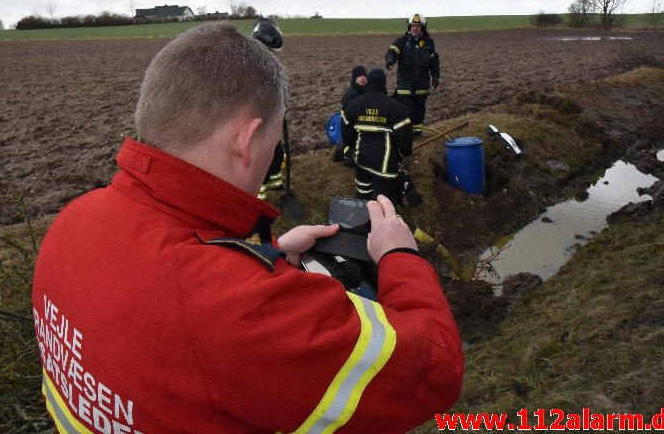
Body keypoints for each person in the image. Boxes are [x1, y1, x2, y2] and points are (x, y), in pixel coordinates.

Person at [32, 23, 463, 433]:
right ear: (246, 139)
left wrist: (270, 255)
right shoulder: (240, 313)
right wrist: (399, 257)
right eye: (272, 144)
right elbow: (435, 370)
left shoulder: (73, 221)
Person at [342, 68, 414, 205]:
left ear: (369, 82)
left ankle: (362, 220)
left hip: (361, 161)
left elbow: (346, 130)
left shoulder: (355, 105)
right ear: (384, 84)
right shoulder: (394, 107)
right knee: (386, 201)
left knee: (363, 193)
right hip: (385, 167)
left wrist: (351, 147)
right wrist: (405, 153)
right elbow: (405, 136)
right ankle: (384, 220)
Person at [385, 13, 440, 132]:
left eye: (418, 26)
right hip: (405, 87)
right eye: (413, 26)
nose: (415, 28)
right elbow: (392, 51)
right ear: (409, 27)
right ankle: (407, 136)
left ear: (423, 28)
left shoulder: (429, 43)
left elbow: (434, 62)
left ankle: (417, 134)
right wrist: (390, 59)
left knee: (419, 112)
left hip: (422, 87)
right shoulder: (401, 41)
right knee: (407, 112)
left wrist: (435, 76)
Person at [333, 65, 368, 163]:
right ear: (354, 78)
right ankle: (345, 151)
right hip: (351, 131)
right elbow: (351, 120)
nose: (363, 78)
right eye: (359, 76)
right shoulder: (350, 95)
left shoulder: (366, 90)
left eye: (364, 75)